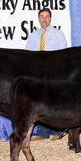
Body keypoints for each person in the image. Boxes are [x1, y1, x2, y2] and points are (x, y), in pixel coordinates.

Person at [25, 8, 68, 140]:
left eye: (47, 16)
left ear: (50, 19)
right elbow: (28, 56)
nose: (44, 19)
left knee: (55, 103)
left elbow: (63, 55)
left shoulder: (58, 34)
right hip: (38, 75)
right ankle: (42, 133)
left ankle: (57, 132)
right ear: (38, 19)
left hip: (54, 74)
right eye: (42, 16)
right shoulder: (33, 36)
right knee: (40, 103)